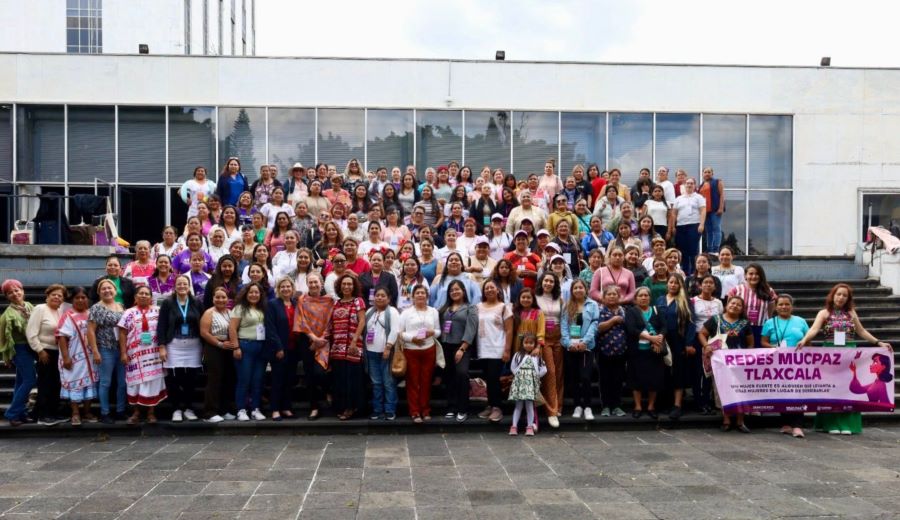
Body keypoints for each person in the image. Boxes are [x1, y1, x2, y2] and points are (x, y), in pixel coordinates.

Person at [798, 283, 893, 435]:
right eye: (838, 294)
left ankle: (848, 424)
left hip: (849, 354)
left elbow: (861, 331)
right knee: (832, 388)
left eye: (844, 295)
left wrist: (878, 342)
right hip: (830, 354)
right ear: (833, 295)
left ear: (848, 298)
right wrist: (804, 340)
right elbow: (814, 329)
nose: (841, 297)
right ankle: (830, 424)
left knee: (848, 389)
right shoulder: (824, 313)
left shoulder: (852, 313)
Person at [698, 295, 754, 432]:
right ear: (727, 305)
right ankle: (726, 419)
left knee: (741, 391)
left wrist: (747, 357)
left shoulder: (745, 323)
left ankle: (740, 421)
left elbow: (751, 344)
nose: (734, 306)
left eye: (738, 305)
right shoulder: (715, 320)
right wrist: (706, 346)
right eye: (732, 303)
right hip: (721, 362)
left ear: (742, 309)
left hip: (739, 363)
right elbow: (701, 334)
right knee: (723, 390)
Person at [758, 294, 810, 437]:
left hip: (798, 363)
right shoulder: (770, 322)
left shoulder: (801, 321)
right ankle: (786, 423)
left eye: (787, 304)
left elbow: (808, 340)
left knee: (798, 392)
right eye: (780, 304)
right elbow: (763, 342)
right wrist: (775, 347)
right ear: (776, 306)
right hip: (778, 363)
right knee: (782, 391)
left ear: (792, 306)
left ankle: (798, 425)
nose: (784, 307)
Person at [117, 285, 167, 424]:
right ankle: (136, 413)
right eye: (141, 293)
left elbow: (163, 330)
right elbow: (122, 333)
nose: (144, 296)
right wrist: (123, 353)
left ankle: (151, 413)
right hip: (134, 354)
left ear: (151, 297)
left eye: (147, 294)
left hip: (154, 354)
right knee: (135, 383)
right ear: (135, 297)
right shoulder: (128, 313)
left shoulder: (158, 311)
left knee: (153, 382)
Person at [26, 284, 69, 425]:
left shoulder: (59, 312)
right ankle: (43, 415)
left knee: (55, 384)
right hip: (44, 352)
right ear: (47, 296)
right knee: (45, 384)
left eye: (60, 295)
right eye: (54, 294)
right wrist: (39, 350)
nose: (57, 297)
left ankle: (53, 412)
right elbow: (31, 333)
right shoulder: (40, 309)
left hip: (58, 353)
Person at [293, 273, 333, 420]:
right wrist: (313, 338)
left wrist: (321, 338)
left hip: (325, 341)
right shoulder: (302, 300)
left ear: (321, 283)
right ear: (307, 284)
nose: (313, 285)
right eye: (310, 282)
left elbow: (331, 320)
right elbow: (301, 321)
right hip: (307, 341)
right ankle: (314, 407)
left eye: (316, 282)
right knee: (309, 375)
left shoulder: (329, 300)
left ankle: (328, 390)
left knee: (320, 372)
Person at [399, 284, 441, 423]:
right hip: (411, 350)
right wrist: (412, 339)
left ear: (427, 296)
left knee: (426, 382)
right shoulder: (406, 312)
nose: (420, 295)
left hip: (429, 349)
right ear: (412, 296)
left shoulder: (433, 311)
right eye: (417, 293)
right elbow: (400, 333)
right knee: (412, 382)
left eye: (423, 293)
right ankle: (415, 411)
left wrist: (432, 332)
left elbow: (439, 331)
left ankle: (425, 410)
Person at [438, 280, 479, 422]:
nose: (454, 292)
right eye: (452, 290)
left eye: (457, 289)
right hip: (445, 346)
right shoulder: (445, 308)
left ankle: (463, 408)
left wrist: (462, 348)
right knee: (449, 377)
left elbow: (471, 329)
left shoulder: (470, 308)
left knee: (461, 374)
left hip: (462, 347)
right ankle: (451, 407)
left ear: (463, 291)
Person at [658, 273, 697, 420]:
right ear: (667, 284)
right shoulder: (660, 300)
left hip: (678, 340)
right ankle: (666, 403)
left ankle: (677, 405)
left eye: (676, 283)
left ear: (680, 285)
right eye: (671, 282)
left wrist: (688, 343)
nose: (673, 285)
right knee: (665, 371)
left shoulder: (686, 301)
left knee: (679, 372)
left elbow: (692, 323)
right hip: (663, 339)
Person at [626, 286, 667, 420]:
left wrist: (659, 339)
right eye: (640, 296)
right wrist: (651, 338)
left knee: (654, 378)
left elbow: (664, 326)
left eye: (646, 295)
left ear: (650, 297)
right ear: (636, 298)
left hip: (654, 351)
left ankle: (651, 406)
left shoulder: (656, 310)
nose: (644, 298)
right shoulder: (631, 312)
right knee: (636, 378)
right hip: (637, 351)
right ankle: (638, 406)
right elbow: (631, 329)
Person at [328, 274, 366, 420]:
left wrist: (354, 341)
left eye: (349, 284)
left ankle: (352, 407)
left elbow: (362, 321)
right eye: (344, 284)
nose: (346, 286)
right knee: (340, 379)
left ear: (354, 286)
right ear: (339, 286)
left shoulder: (358, 301)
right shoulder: (336, 303)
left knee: (352, 379)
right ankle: (342, 406)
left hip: (353, 346)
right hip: (337, 347)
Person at [475, 279, 513, 423]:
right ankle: (490, 405)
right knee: (487, 378)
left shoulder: (504, 307)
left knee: (494, 379)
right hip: (482, 348)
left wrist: (507, 350)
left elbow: (509, 330)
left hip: (497, 348)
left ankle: (497, 407)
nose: (489, 290)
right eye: (486, 288)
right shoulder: (478, 307)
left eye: (492, 287)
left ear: (498, 290)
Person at [229, 283, 268, 422]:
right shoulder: (239, 308)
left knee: (258, 379)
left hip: (261, 347)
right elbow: (232, 329)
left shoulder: (262, 308)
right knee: (244, 379)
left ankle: (255, 408)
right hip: (245, 346)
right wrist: (236, 347)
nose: (254, 295)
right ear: (246, 294)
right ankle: (241, 409)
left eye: (256, 292)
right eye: (251, 292)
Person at [563, 279, 601, 421]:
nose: (578, 290)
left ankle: (588, 406)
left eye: (581, 287)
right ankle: (577, 405)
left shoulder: (592, 305)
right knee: (574, 378)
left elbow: (594, 324)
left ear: (585, 289)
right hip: (571, 347)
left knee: (585, 377)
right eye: (575, 288)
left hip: (586, 348)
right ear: (572, 291)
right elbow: (564, 327)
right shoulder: (567, 306)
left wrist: (585, 342)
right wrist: (568, 343)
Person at [198, 286, 236, 423]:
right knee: (214, 380)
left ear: (228, 299)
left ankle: (224, 409)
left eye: (223, 297)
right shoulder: (209, 312)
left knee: (227, 379)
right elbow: (204, 333)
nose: (220, 299)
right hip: (214, 347)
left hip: (228, 348)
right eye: (217, 297)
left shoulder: (230, 312)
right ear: (213, 299)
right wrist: (219, 344)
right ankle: (209, 412)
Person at [1, 279, 36, 427]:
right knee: (30, 380)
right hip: (19, 349)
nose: (15, 294)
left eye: (17, 290)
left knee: (20, 382)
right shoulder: (7, 315)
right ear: (7, 296)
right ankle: (12, 413)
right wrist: (7, 357)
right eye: (10, 292)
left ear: (22, 291)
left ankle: (21, 414)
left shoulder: (29, 306)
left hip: (30, 348)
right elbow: (3, 340)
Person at [363, 287, 401, 421]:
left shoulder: (392, 312)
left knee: (388, 382)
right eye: (377, 295)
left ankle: (390, 410)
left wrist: (388, 347)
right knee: (376, 383)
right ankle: (377, 410)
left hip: (386, 353)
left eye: (383, 295)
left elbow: (395, 330)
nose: (379, 298)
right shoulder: (369, 312)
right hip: (371, 352)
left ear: (389, 298)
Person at [264, 277, 298, 421]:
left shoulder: (296, 303)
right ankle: (275, 409)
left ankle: (286, 407)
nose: (285, 289)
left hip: (294, 348)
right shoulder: (272, 304)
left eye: (288, 286)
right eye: (282, 287)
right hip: (279, 348)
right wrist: (278, 347)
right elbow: (270, 328)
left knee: (289, 379)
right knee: (278, 379)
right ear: (278, 289)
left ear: (292, 288)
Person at [690, 275, 723, 415]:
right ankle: (699, 402)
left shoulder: (719, 303)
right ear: (700, 285)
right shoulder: (693, 301)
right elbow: (690, 321)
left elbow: (721, 321)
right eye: (705, 282)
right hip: (697, 339)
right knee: (698, 372)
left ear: (715, 287)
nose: (708, 285)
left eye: (711, 283)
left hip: (714, 340)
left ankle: (707, 401)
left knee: (710, 372)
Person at [728, 263, 777, 347]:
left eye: (757, 274)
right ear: (745, 275)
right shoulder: (736, 290)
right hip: (740, 327)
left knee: (759, 354)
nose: (754, 276)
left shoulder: (769, 291)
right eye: (751, 274)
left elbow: (770, 312)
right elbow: (729, 310)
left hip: (761, 328)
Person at [508, 332, 546, 436]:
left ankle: (529, 426)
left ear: (534, 344)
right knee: (518, 405)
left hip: (530, 385)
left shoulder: (537, 356)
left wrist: (536, 376)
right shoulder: (518, 355)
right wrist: (519, 375)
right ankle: (514, 426)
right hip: (520, 384)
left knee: (529, 405)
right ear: (522, 343)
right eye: (526, 342)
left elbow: (544, 369)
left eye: (531, 343)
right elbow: (513, 367)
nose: (528, 345)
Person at [669, 177, 706, 276]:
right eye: (687, 183)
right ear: (684, 185)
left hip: (694, 225)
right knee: (682, 250)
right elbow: (674, 214)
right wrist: (673, 227)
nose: (689, 185)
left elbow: (703, 211)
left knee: (693, 250)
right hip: (681, 226)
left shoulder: (699, 197)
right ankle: (685, 272)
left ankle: (695, 272)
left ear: (694, 185)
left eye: (691, 183)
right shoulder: (679, 199)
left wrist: (702, 224)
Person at [698, 167, 726, 254]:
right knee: (709, 231)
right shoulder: (701, 185)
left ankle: (716, 249)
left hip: (715, 210)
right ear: (703, 174)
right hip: (706, 211)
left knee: (716, 228)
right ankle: (709, 249)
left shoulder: (717, 181)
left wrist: (721, 207)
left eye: (709, 172)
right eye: (705, 172)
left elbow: (722, 195)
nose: (707, 174)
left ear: (712, 173)